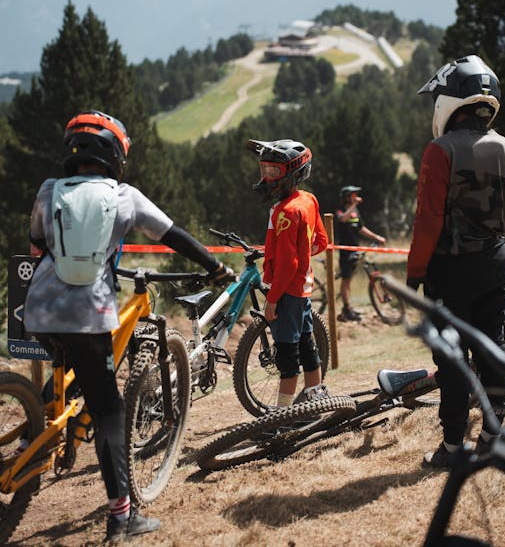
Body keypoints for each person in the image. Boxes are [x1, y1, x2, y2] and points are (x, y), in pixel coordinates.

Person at [24, 110, 233, 542]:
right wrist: (214, 267)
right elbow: (172, 234)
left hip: (39, 311)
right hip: (88, 315)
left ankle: (36, 433)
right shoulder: (124, 197)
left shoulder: (48, 190)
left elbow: (38, 245)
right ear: (116, 155)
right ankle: (122, 517)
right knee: (109, 411)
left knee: (73, 370)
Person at [407, 55, 505, 468]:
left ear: (449, 101)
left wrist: (415, 273)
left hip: (449, 271)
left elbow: (428, 221)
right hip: (494, 264)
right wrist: (498, 260)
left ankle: (453, 446)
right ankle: (492, 435)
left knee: (453, 360)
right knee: (495, 351)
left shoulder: (439, 150)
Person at [247, 138, 329, 407]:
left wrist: (272, 300)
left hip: (285, 292)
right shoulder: (308, 200)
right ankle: (315, 402)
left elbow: (288, 264)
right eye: (264, 170)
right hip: (303, 289)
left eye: (274, 171)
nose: (267, 177)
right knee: (308, 348)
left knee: (287, 357)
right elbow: (321, 241)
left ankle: (283, 415)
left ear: (293, 173)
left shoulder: (285, 212)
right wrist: (302, 254)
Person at [334, 185, 386, 321]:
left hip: (355, 248)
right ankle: (346, 309)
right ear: (347, 198)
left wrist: (376, 237)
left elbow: (361, 228)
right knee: (346, 280)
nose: (356, 197)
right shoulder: (340, 210)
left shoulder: (355, 211)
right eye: (353, 195)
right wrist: (354, 205)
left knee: (349, 280)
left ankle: (348, 307)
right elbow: (343, 219)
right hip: (345, 251)